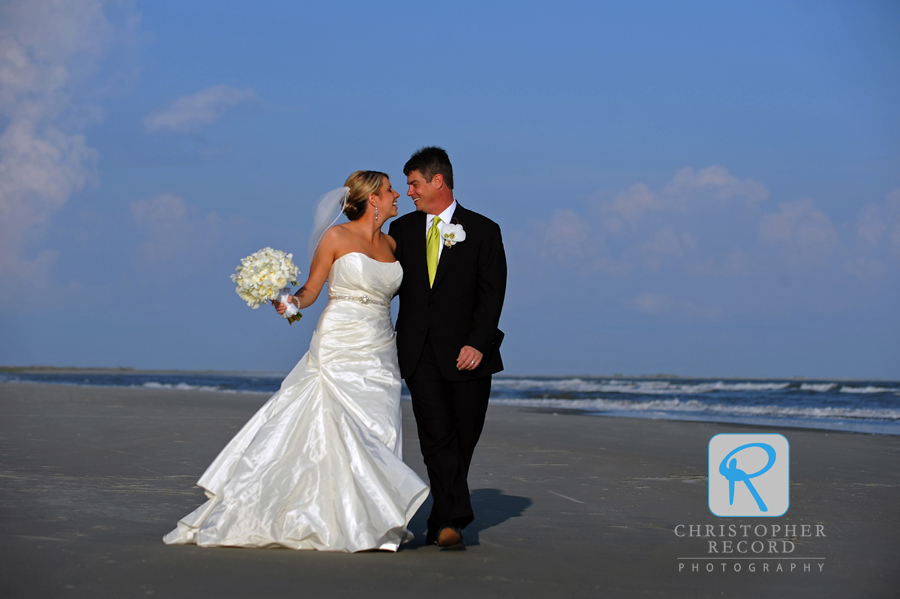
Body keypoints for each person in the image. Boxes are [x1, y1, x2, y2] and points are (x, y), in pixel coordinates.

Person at [163, 171, 428, 552]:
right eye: (389, 190)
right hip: (339, 340)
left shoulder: (392, 243)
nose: (397, 194)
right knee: (330, 423)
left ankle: (369, 520)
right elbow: (312, 289)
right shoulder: (335, 237)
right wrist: (289, 303)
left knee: (377, 429)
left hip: (381, 345)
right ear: (373, 198)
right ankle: (319, 515)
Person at [388, 147, 507, 550]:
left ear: (438, 181)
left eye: (414, 183)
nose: (409, 192)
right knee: (436, 438)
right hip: (418, 351)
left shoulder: (485, 230)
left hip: (470, 355)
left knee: (463, 438)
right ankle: (452, 522)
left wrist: (477, 342)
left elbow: (492, 295)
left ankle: (442, 516)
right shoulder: (402, 232)